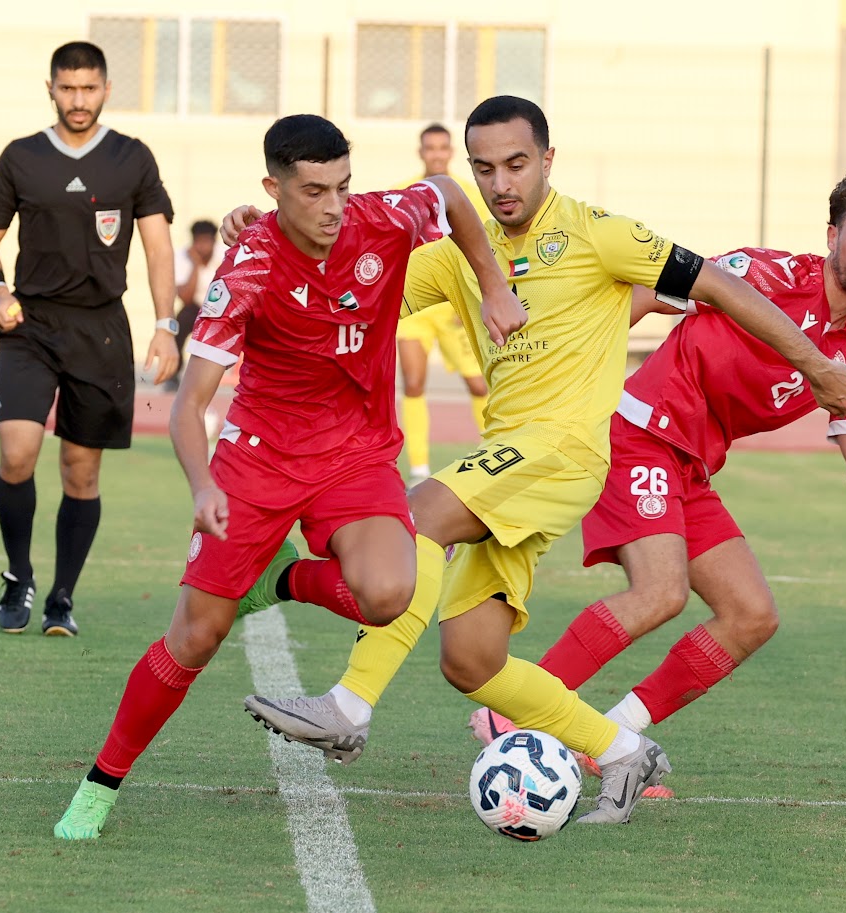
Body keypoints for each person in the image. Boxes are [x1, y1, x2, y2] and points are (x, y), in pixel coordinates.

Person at [234, 96, 846, 825]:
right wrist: (277, 241)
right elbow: (341, 295)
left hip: (560, 452)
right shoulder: (456, 258)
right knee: (471, 662)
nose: (501, 184)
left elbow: (721, 285)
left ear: (547, 160)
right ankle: (623, 751)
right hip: (507, 459)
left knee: (413, 521)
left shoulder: (600, 236)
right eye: (484, 169)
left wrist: (815, 364)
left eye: (516, 164)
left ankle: (347, 705)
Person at [51, 113, 524, 839]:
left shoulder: (384, 219)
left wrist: (493, 285)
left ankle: (280, 580)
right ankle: (100, 783)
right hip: (258, 460)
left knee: (389, 594)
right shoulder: (249, 265)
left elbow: (450, 194)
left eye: (342, 186)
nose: (333, 206)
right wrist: (203, 484)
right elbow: (190, 405)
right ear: (273, 189)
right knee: (196, 637)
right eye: (312, 191)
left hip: (356, 454)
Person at [467, 170, 846, 786]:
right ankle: (506, 716)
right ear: (833, 235)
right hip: (637, 435)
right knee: (661, 593)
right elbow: (643, 293)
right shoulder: (761, 276)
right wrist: (565, 362)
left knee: (751, 615)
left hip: (689, 467)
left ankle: (609, 740)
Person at [0, 41, 178, 637]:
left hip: (101, 331)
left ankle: (62, 597)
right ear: (51, 89)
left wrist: (166, 326)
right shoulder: (21, 157)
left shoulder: (132, 158)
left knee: (80, 474)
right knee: (16, 456)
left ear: (106, 89)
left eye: (89, 88)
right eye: (68, 88)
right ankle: (18, 577)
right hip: (29, 325)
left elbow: (159, 246)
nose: (78, 100)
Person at [397, 124, 490, 486]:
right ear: (421, 152)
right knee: (415, 383)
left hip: (455, 306)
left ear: (451, 153)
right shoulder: (404, 192)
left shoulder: (469, 194)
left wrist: (470, 296)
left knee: (480, 385)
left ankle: (490, 454)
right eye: (429, 148)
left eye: (442, 148)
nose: (436, 153)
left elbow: (483, 249)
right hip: (414, 311)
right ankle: (419, 470)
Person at [164, 219, 222, 392]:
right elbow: (186, 298)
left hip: (223, 307)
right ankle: (173, 373)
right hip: (196, 305)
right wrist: (195, 265)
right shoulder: (182, 257)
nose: (202, 247)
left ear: (214, 241)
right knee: (177, 326)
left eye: (206, 242)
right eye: (199, 242)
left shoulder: (226, 255)